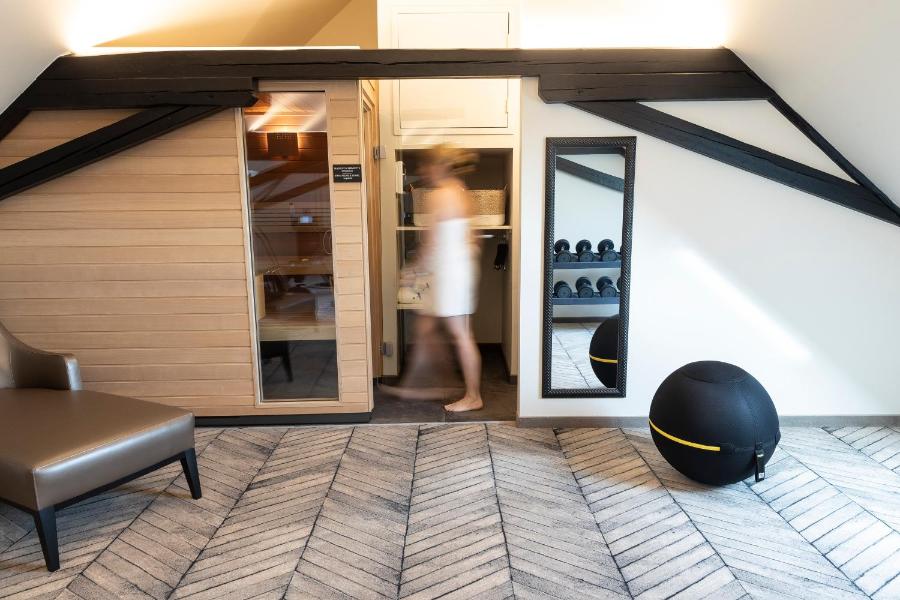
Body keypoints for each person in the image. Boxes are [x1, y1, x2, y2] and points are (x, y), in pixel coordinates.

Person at [389, 144, 484, 412]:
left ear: (438, 166)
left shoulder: (441, 195)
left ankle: (473, 396)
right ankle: (427, 384)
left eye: (426, 165)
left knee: (460, 334)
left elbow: (430, 243)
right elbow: (474, 239)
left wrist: (412, 271)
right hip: (456, 270)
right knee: (425, 328)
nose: (423, 170)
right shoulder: (460, 191)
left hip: (450, 273)